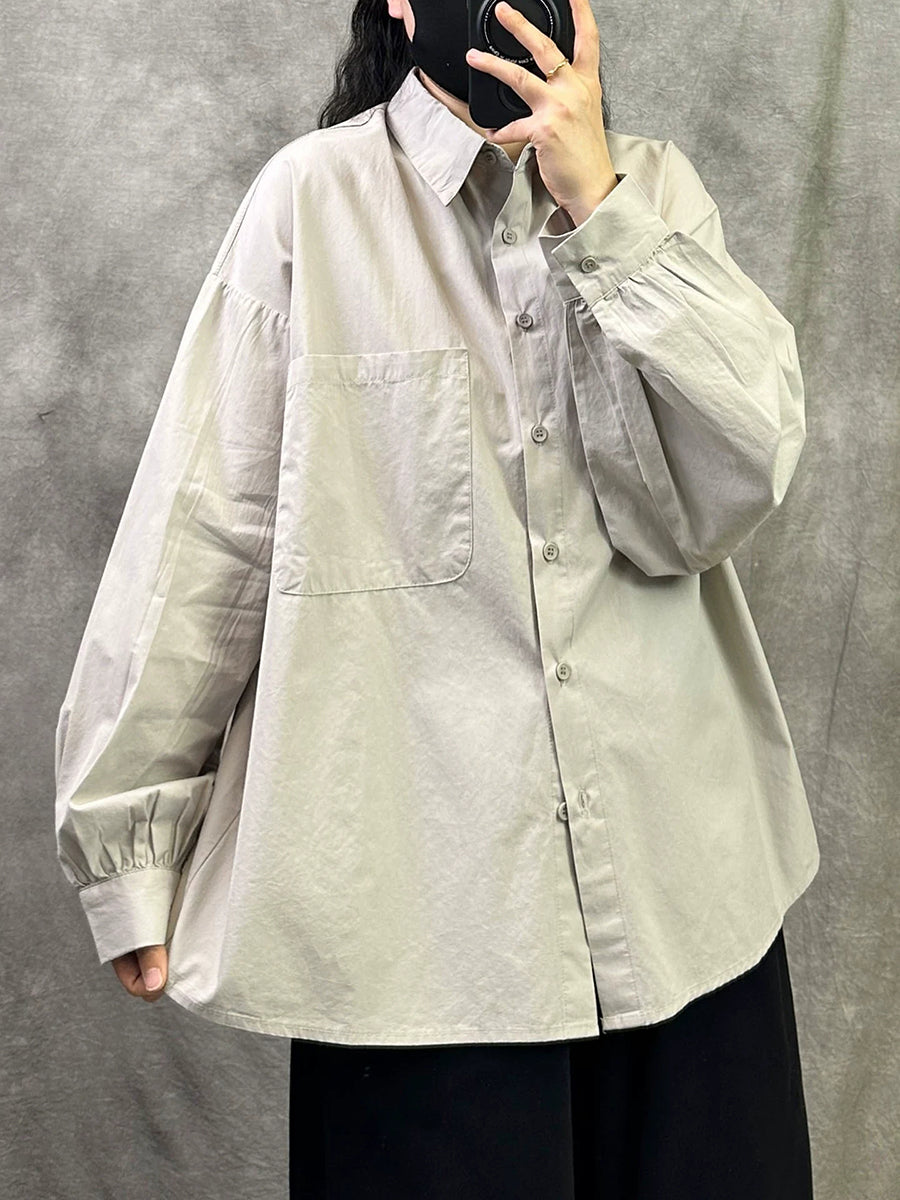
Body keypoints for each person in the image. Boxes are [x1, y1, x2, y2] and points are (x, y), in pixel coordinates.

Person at [54, 1, 820, 1196]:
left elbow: (743, 472)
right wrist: (128, 839)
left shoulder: (655, 192)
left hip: (686, 895)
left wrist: (602, 214)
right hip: (421, 933)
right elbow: (209, 524)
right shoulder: (312, 203)